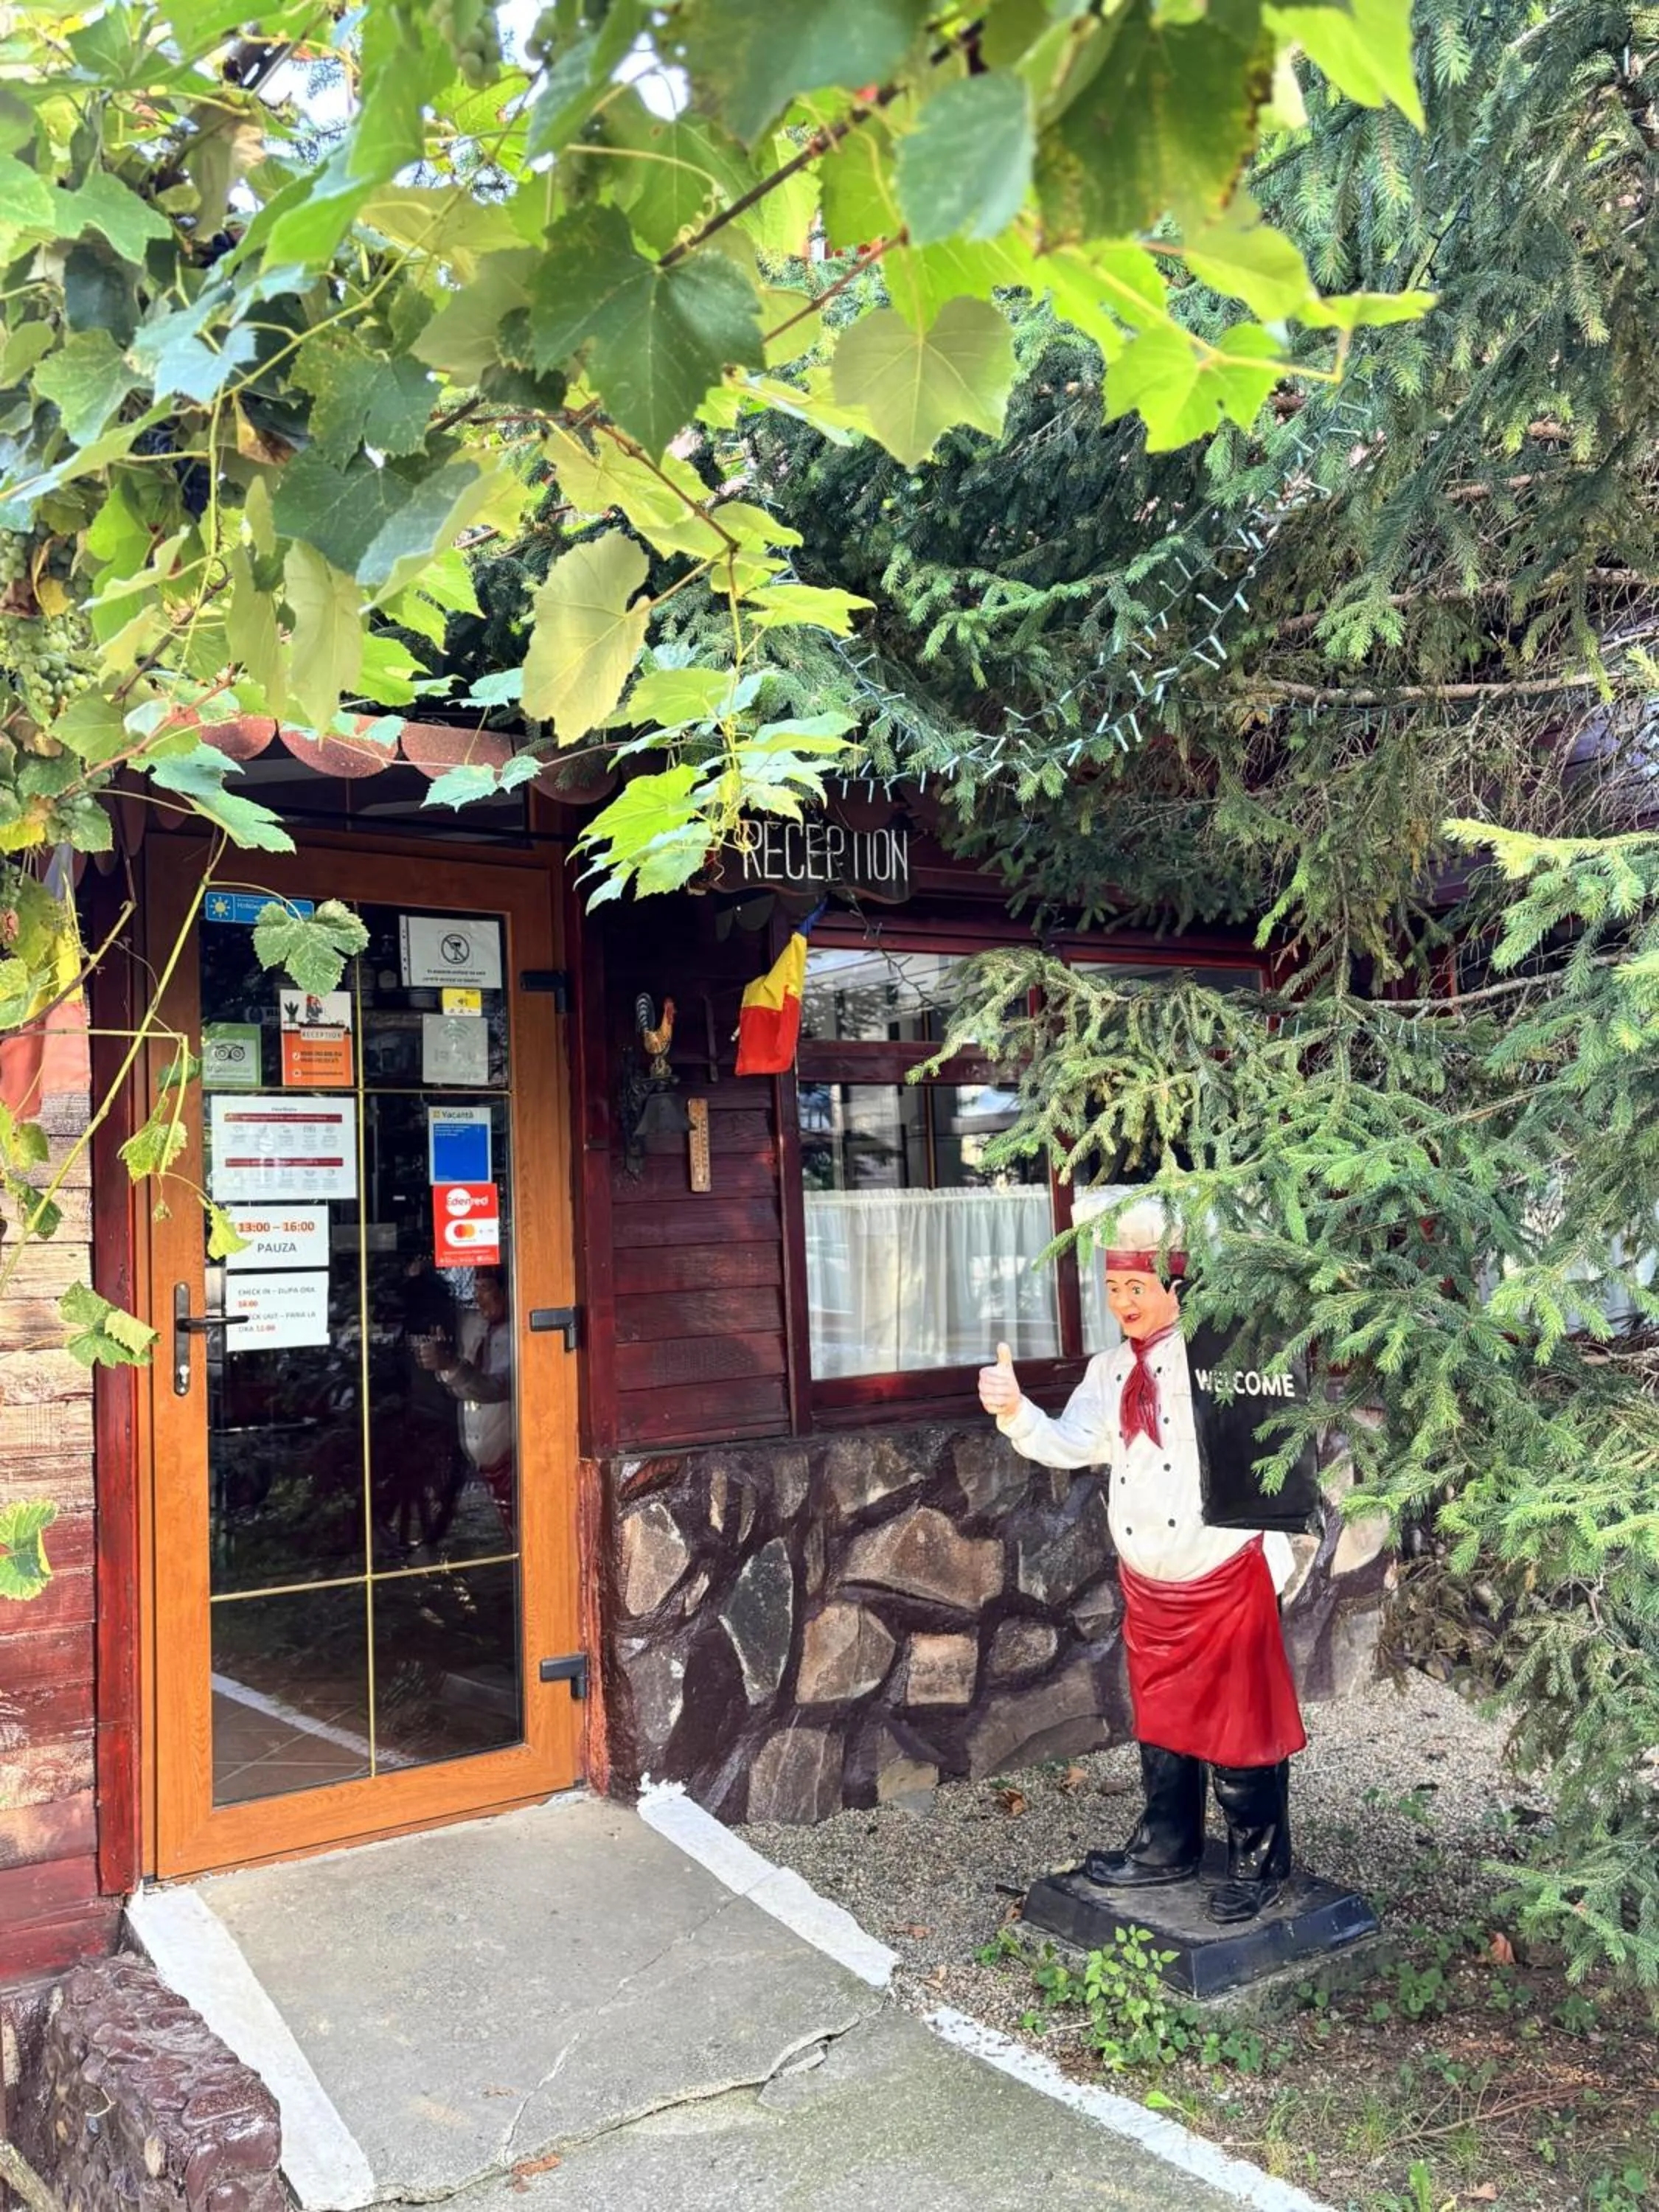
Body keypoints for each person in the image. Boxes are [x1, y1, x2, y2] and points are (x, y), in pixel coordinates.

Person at [978, 1200, 1309, 1926]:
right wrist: (1015, 1413)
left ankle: (1260, 1858)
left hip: (1223, 1575)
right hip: (1152, 1589)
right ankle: (1167, 1844)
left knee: (1241, 1722)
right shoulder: (1106, 1372)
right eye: (1115, 1290)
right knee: (1162, 1718)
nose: (1124, 1303)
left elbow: (1269, 1451)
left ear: (1176, 1287)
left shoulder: (1224, 1359)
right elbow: (1072, 1442)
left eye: (1138, 1288)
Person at [417, 1266, 515, 1539]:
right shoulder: (474, 1328)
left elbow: (496, 1388)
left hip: (513, 1460)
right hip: (481, 1459)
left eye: (486, 1290)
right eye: (475, 1292)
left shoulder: (521, 1335)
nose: (479, 1300)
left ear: (508, 1291)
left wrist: (451, 1365)